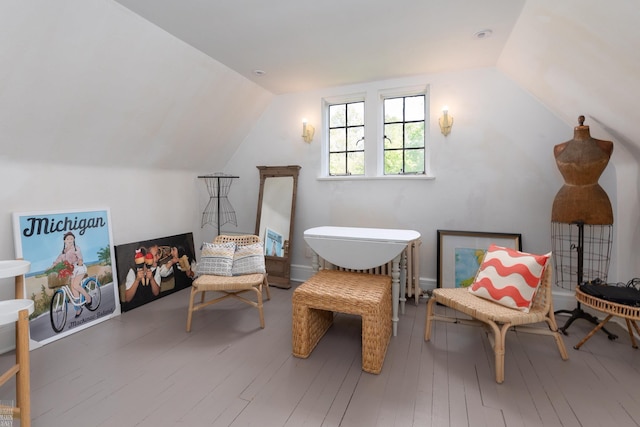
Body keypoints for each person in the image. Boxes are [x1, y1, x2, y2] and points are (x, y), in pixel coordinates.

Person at [51, 232, 91, 318]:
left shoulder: (76, 248)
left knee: (76, 285)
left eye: (71, 239)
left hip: (79, 268)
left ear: (74, 240)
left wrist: (80, 262)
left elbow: (80, 258)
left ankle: (88, 297)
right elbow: (58, 260)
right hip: (72, 270)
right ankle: (78, 309)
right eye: (68, 239)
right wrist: (53, 266)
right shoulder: (63, 252)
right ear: (64, 241)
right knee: (73, 289)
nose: (70, 240)